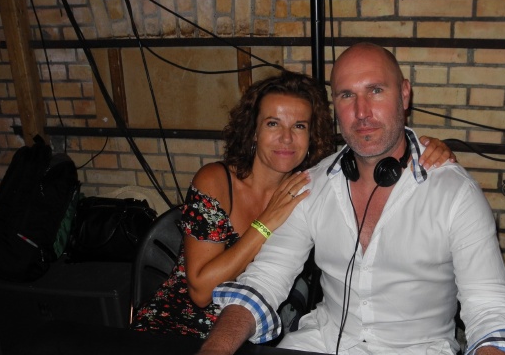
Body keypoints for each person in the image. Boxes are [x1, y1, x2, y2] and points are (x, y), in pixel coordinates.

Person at [171, 44, 505, 355]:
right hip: (319, 351)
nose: (362, 112)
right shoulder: (312, 185)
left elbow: (489, 304)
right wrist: (216, 349)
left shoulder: (455, 194)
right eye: (347, 95)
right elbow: (264, 280)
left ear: (404, 95)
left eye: (375, 91)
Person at [132, 70, 455, 338]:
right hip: (174, 329)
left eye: (299, 126)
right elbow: (201, 292)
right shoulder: (216, 181)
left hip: (255, 335)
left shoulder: (315, 186)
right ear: (253, 131)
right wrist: (265, 224)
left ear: (312, 135)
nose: (286, 138)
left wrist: (432, 150)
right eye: (273, 124)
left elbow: (379, 154)